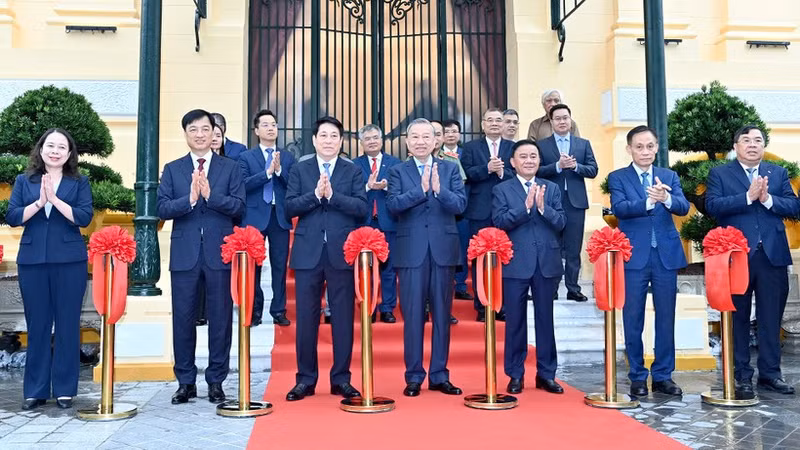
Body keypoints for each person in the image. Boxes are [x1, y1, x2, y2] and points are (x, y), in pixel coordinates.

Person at [157, 109, 245, 405]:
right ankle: (185, 382)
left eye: (205, 129)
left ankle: (216, 381)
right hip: (185, 254)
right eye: (193, 129)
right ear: (186, 133)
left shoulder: (230, 168)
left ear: (214, 132)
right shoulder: (173, 169)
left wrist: (211, 196)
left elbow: (239, 207)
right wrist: (191, 199)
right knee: (183, 318)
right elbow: (162, 208)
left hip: (220, 252)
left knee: (221, 318)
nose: (199, 134)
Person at [706, 125, 800, 398]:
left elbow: (794, 207)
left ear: (763, 146)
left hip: (772, 256)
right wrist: (747, 197)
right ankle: (741, 376)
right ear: (735, 146)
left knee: (771, 318)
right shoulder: (720, 174)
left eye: (758, 140)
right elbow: (713, 206)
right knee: (738, 318)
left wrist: (768, 199)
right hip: (736, 257)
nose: (752, 144)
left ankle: (771, 374)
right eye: (746, 140)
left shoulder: (777, 173)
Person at [7, 129, 93, 410]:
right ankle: (36, 390)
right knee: (38, 325)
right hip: (32, 261)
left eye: (61, 147)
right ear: (41, 149)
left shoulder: (79, 182)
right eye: (50, 146)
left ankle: (65, 390)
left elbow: (83, 216)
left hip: (70, 262)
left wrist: (55, 200)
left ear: (69, 154)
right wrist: (39, 202)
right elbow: (13, 216)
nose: (55, 151)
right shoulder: (24, 180)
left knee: (68, 324)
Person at [285, 116, 367, 401]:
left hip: (341, 252)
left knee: (343, 318)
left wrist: (333, 196)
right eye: (324, 135)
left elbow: (361, 208)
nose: (329, 140)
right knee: (306, 319)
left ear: (341, 141)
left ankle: (341, 379)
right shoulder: (300, 169)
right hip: (308, 253)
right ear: (314, 140)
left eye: (334, 136)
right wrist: (315, 195)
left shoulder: (352, 170)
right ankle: (305, 380)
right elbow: (289, 207)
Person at [387, 118, 467, 397]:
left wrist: (439, 190)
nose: (421, 142)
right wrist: (420, 191)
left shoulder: (450, 168)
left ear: (436, 141)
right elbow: (393, 206)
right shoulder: (397, 171)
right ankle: (413, 375)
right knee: (412, 316)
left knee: (442, 315)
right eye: (415, 137)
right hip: (412, 252)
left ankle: (439, 375)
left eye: (426, 137)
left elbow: (460, 205)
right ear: (407, 143)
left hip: (443, 250)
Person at [608, 125, 689, 397]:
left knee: (666, 317)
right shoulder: (618, 177)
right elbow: (619, 209)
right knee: (633, 317)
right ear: (629, 149)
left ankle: (664, 375)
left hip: (665, 256)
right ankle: (637, 376)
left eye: (650, 146)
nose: (645, 151)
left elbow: (683, 207)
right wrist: (648, 202)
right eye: (639, 146)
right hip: (634, 256)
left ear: (657, 148)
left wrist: (666, 198)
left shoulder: (669, 176)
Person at [492, 139, 565, 394]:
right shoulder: (502, 189)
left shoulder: (551, 188)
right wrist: (525, 208)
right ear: (513, 162)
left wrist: (544, 209)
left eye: (533, 156)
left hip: (546, 263)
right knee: (515, 322)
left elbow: (561, 222)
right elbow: (499, 222)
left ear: (539, 160)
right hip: (515, 263)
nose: (529, 161)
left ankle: (546, 374)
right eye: (523, 156)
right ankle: (515, 374)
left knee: (546, 320)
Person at [238, 109, 296, 327]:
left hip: (279, 217)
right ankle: (254, 310)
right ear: (256, 130)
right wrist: (267, 173)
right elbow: (242, 185)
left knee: (280, 266)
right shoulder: (246, 157)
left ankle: (279, 310)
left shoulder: (287, 157)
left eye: (274, 124)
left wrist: (279, 171)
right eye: (265, 125)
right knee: (253, 266)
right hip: (254, 216)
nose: (271, 128)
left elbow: (294, 186)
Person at [536, 104, 597, 302]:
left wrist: (576, 166)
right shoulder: (542, 145)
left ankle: (573, 288)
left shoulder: (583, 144)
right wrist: (557, 166)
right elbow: (536, 171)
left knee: (573, 248)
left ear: (570, 120)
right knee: (551, 246)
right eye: (558, 118)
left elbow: (593, 170)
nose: (562, 122)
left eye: (565, 118)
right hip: (550, 202)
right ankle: (551, 288)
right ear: (551, 121)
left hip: (575, 203)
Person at [461, 108, 514, 321]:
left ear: (504, 124)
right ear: (482, 124)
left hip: (506, 210)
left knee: (504, 258)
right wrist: (487, 168)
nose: (494, 123)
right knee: (480, 260)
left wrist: (501, 172)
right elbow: (466, 173)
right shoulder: (471, 147)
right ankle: (482, 307)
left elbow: (520, 174)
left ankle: (501, 306)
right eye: (489, 120)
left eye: (498, 120)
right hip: (479, 210)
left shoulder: (513, 147)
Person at [353, 124, 402, 323]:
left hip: (389, 222)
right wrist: (368, 186)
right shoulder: (354, 165)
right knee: (366, 268)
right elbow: (351, 191)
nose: (372, 142)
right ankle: (369, 307)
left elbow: (401, 189)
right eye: (367, 139)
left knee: (389, 268)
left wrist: (386, 187)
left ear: (382, 140)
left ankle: (388, 308)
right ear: (361, 143)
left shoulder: (395, 163)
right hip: (364, 223)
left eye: (375, 138)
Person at [442, 119, 473, 301]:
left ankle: (461, 285)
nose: (451, 135)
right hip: (443, 210)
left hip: (464, 209)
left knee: (462, 246)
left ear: (459, 134)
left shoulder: (466, 153)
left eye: (454, 131)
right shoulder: (436, 154)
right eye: (447, 132)